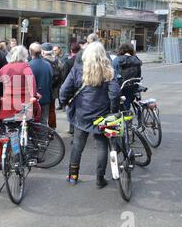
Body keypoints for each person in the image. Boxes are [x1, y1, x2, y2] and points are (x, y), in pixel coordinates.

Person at [60, 42, 120, 188]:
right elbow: (115, 93)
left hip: (82, 113)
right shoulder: (108, 70)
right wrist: (113, 110)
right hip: (103, 115)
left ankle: (73, 177)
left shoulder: (78, 69)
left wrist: (64, 102)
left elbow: (64, 90)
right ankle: (100, 179)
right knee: (102, 146)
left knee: (77, 145)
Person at [0, 45, 37, 121]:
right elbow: (30, 78)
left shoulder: (5, 67)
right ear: (24, 56)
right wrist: (33, 95)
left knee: (8, 127)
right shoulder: (25, 67)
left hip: (7, 103)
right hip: (23, 103)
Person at [113, 43, 142, 110]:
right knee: (127, 103)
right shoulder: (136, 59)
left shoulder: (117, 60)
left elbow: (112, 74)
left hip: (120, 87)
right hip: (133, 87)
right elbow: (139, 75)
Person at [29, 42, 53, 125]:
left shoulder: (28, 66)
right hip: (45, 97)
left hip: (32, 99)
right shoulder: (47, 65)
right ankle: (42, 137)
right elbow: (50, 80)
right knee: (43, 121)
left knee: (32, 121)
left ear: (30, 52)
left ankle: (34, 137)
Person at [41, 42, 62, 128]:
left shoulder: (43, 62)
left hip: (45, 89)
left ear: (43, 52)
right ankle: (52, 128)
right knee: (52, 109)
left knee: (43, 111)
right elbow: (61, 74)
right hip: (54, 89)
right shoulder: (57, 60)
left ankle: (43, 129)